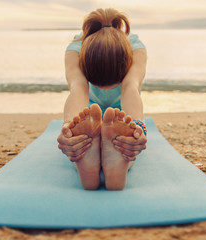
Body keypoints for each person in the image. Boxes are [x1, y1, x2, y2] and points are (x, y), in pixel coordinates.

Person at [57, 8, 147, 190]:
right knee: (79, 141)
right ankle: (88, 159)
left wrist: (138, 128)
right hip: (88, 113)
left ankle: (119, 160)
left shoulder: (135, 48)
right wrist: (69, 127)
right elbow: (79, 87)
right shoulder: (75, 49)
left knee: (127, 142)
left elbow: (130, 86)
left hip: (123, 114)